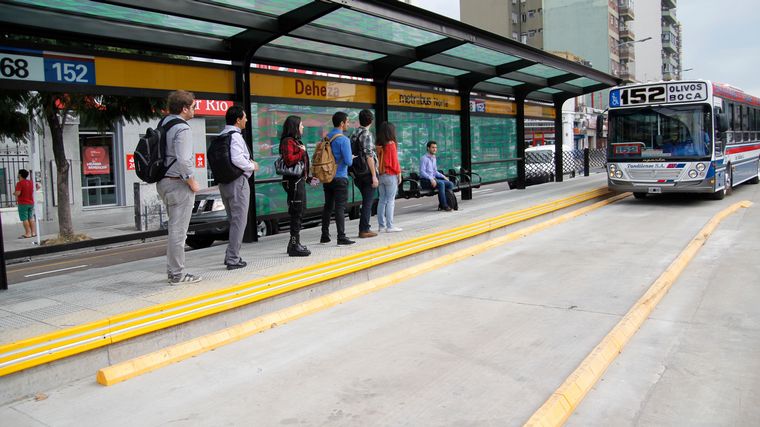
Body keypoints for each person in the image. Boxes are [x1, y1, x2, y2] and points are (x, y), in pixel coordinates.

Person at [157, 90, 202, 285]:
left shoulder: (164, 123)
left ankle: (173, 272)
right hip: (178, 184)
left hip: (164, 182)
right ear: (184, 109)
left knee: (174, 229)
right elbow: (184, 159)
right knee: (178, 231)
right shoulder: (182, 128)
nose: (194, 110)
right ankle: (177, 275)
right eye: (193, 107)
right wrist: (191, 181)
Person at [218, 105, 258, 269]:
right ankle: (233, 258)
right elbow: (237, 159)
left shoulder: (221, 135)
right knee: (239, 221)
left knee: (233, 220)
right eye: (245, 117)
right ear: (238, 120)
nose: (246, 120)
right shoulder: (235, 136)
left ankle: (231, 255)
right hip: (237, 182)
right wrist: (252, 165)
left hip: (224, 182)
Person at [320, 112, 355, 246]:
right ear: (342, 123)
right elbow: (348, 161)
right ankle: (341, 236)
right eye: (347, 121)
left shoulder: (326, 138)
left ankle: (324, 235)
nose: (348, 124)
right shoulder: (343, 140)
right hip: (340, 177)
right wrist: (351, 157)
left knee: (328, 206)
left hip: (327, 177)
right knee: (340, 207)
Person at [279, 115, 311, 257]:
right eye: (301, 125)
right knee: (296, 212)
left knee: (300, 211)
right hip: (293, 182)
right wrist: (302, 151)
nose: (303, 127)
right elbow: (289, 160)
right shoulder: (288, 141)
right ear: (295, 127)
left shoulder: (295, 141)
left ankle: (294, 243)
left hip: (299, 181)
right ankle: (294, 245)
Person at [354, 109, 379, 238]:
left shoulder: (354, 133)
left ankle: (364, 228)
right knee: (368, 202)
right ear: (371, 121)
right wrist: (374, 176)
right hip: (367, 172)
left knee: (366, 200)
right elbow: (369, 156)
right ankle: (364, 229)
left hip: (357, 172)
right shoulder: (367, 134)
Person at [375, 121, 403, 233]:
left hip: (380, 175)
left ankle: (381, 226)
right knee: (390, 201)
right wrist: (399, 174)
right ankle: (390, 226)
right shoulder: (391, 144)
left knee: (382, 200)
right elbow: (394, 162)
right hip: (390, 175)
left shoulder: (378, 145)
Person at [419, 140, 454, 211]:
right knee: (441, 184)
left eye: (436, 147)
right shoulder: (424, 158)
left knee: (450, 184)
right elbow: (422, 172)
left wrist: (443, 176)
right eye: (433, 147)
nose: (435, 149)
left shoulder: (434, 158)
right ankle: (444, 205)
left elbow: (435, 172)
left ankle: (445, 203)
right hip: (425, 181)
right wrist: (431, 179)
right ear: (428, 148)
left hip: (433, 180)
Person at [14, 169, 36, 239]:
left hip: (23, 203)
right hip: (31, 203)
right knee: (30, 218)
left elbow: (18, 193)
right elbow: (37, 187)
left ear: (20, 175)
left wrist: (14, 193)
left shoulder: (19, 183)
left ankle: (28, 233)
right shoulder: (30, 182)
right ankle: (33, 233)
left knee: (24, 219)